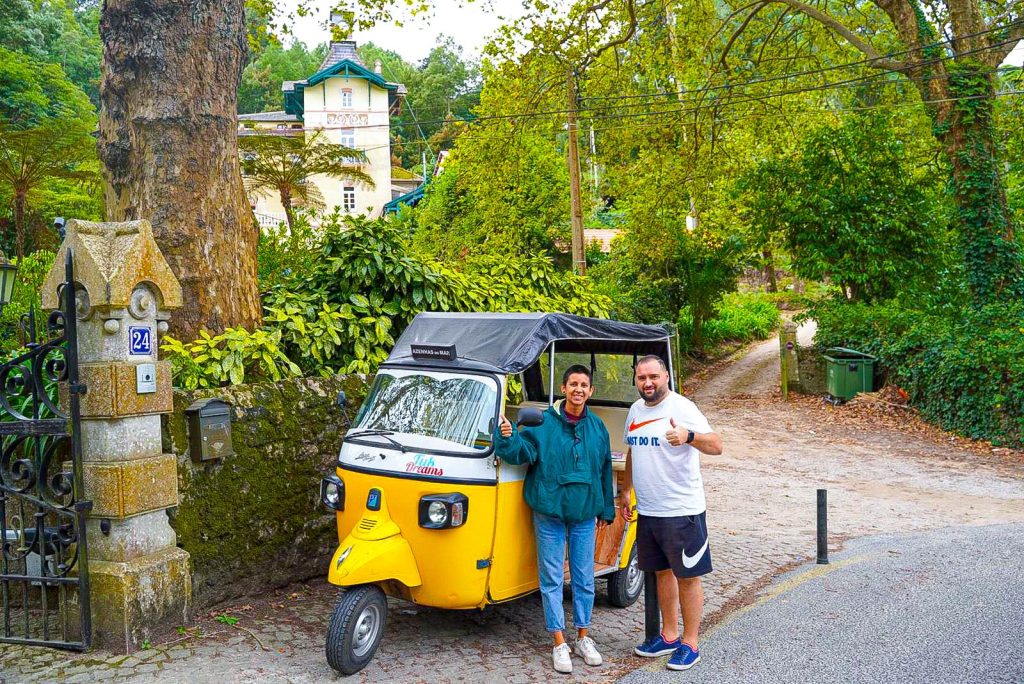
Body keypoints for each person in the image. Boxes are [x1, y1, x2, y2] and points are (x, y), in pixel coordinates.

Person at [495, 364, 616, 674]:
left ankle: (583, 637)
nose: (578, 389)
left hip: (584, 514)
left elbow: (603, 471)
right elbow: (521, 453)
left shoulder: (598, 428)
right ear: (564, 388)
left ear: (590, 391)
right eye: (573, 383)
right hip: (549, 511)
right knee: (551, 578)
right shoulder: (542, 423)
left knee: (584, 577)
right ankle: (559, 642)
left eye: (584, 385)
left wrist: (606, 509)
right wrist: (508, 438)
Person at [617, 355, 723, 671]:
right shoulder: (635, 411)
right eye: (641, 378)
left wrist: (688, 436)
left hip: (682, 510)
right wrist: (626, 490)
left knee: (687, 576)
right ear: (635, 381)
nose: (647, 383)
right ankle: (669, 635)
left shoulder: (683, 408)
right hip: (649, 511)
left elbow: (717, 445)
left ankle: (691, 644)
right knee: (662, 573)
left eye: (653, 376)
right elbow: (632, 451)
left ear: (666, 376)